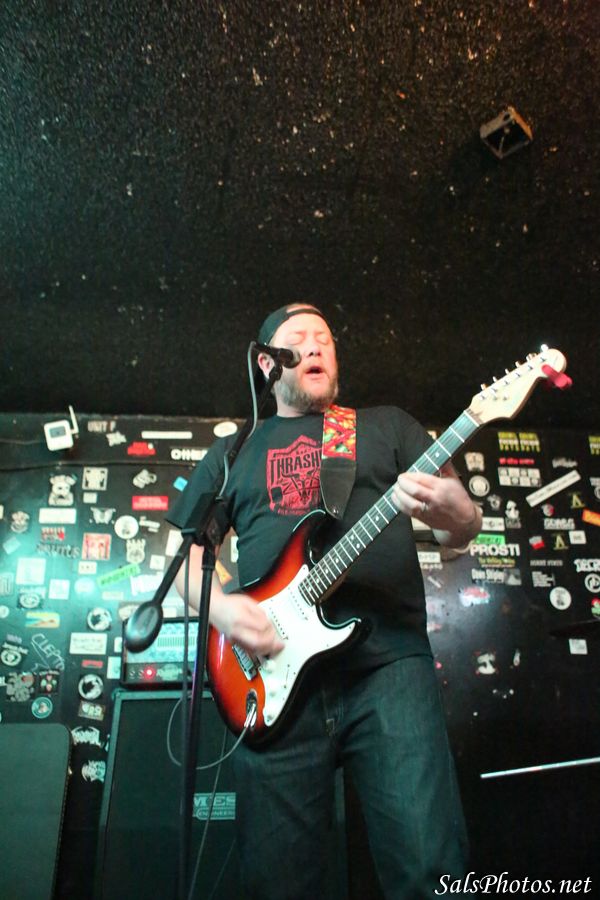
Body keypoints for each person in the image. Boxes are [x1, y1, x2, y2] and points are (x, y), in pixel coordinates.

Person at [175, 303, 482, 899]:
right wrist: (226, 610)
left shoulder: (386, 426)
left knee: (430, 869)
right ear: (268, 363)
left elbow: (460, 529)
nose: (316, 345)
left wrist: (459, 511)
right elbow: (184, 560)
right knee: (279, 884)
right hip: (269, 682)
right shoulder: (236, 450)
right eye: (300, 338)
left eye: (325, 338)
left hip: (386, 667)